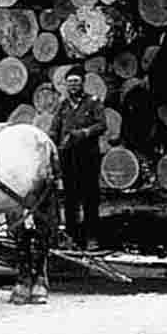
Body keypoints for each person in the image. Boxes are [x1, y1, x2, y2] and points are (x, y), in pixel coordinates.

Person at [49, 70, 106, 248]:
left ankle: (91, 237)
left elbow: (102, 125)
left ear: (83, 84)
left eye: (76, 82)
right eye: (70, 82)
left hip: (88, 157)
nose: (73, 85)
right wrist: (49, 140)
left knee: (90, 197)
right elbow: (54, 128)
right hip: (68, 158)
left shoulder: (93, 102)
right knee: (70, 198)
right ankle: (72, 236)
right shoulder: (63, 106)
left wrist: (84, 133)